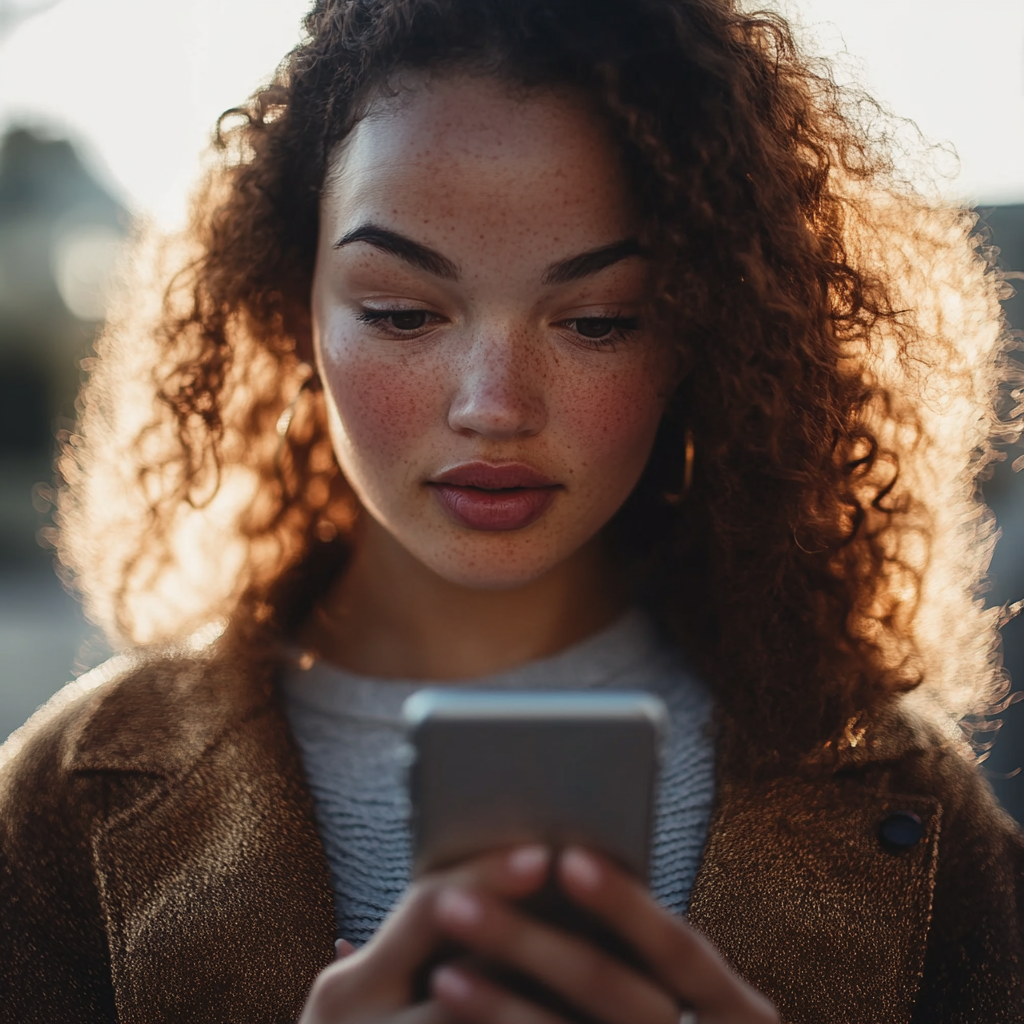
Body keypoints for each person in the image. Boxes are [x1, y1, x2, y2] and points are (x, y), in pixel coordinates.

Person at [2, 0, 1022, 1020]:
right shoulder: (56, 804)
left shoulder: (916, 802)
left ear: (707, 335)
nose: (494, 405)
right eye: (402, 312)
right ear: (290, 307)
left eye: (596, 320)